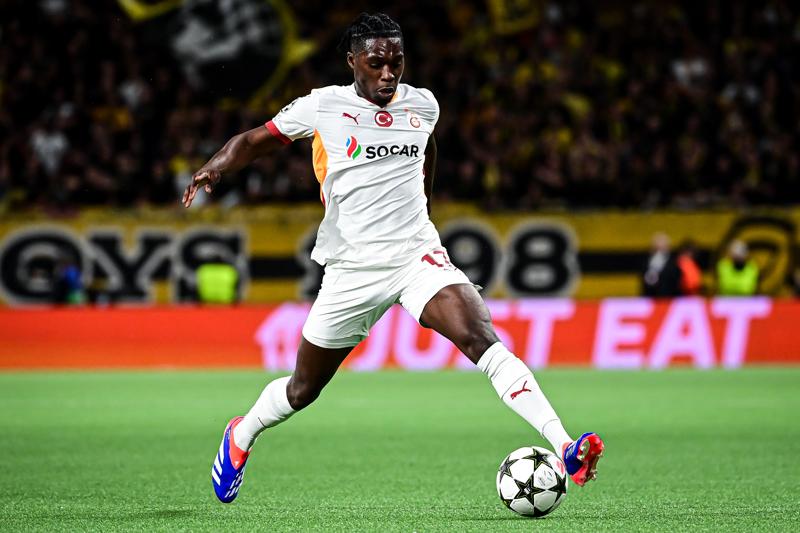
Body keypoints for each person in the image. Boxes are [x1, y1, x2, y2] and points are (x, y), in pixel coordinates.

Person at [183, 13, 603, 504]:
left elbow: (428, 150)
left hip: (415, 255)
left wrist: (425, 209)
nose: (388, 74)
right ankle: (242, 432)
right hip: (352, 269)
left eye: (397, 63)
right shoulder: (323, 106)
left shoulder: (423, 104)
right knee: (302, 390)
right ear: (352, 61)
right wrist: (215, 167)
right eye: (376, 63)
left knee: (481, 339)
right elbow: (255, 140)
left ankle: (565, 447)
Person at [641, 232, 681, 297]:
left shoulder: (674, 262)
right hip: (651, 297)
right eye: (657, 248)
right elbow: (644, 280)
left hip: (668, 298)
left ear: (668, 247)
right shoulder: (647, 262)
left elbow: (676, 281)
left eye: (662, 247)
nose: (659, 251)